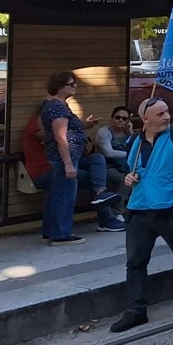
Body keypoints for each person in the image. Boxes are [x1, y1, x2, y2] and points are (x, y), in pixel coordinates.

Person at [110, 97, 173, 332]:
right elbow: (132, 170)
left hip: (171, 210)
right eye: (160, 114)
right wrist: (129, 178)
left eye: (167, 111)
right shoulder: (134, 140)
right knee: (135, 262)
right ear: (145, 119)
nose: (166, 117)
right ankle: (136, 310)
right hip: (139, 209)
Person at [41, 71, 118, 245]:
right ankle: (61, 235)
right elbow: (60, 136)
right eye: (71, 84)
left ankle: (51, 231)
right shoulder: (57, 107)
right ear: (59, 87)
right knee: (65, 195)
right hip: (64, 158)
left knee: (94, 161)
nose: (75, 86)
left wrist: (86, 125)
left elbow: (69, 128)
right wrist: (68, 164)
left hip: (70, 156)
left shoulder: (62, 106)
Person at [96, 106, 136, 195]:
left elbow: (136, 147)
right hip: (107, 166)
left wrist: (131, 132)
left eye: (124, 119)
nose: (120, 120)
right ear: (112, 118)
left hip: (124, 164)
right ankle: (119, 203)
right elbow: (109, 153)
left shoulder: (126, 131)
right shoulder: (104, 132)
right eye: (118, 117)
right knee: (125, 179)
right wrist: (129, 154)